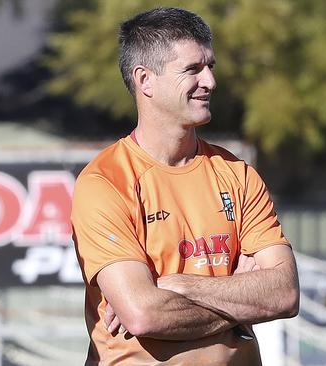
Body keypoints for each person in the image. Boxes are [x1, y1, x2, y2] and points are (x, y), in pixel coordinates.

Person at [71, 7, 299, 365]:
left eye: (210, 66)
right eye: (193, 69)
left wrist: (178, 285)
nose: (210, 81)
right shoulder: (106, 182)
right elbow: (143, 315)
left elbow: (285, 294)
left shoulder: (237, 174)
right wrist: (241, 301)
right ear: (145, 80)